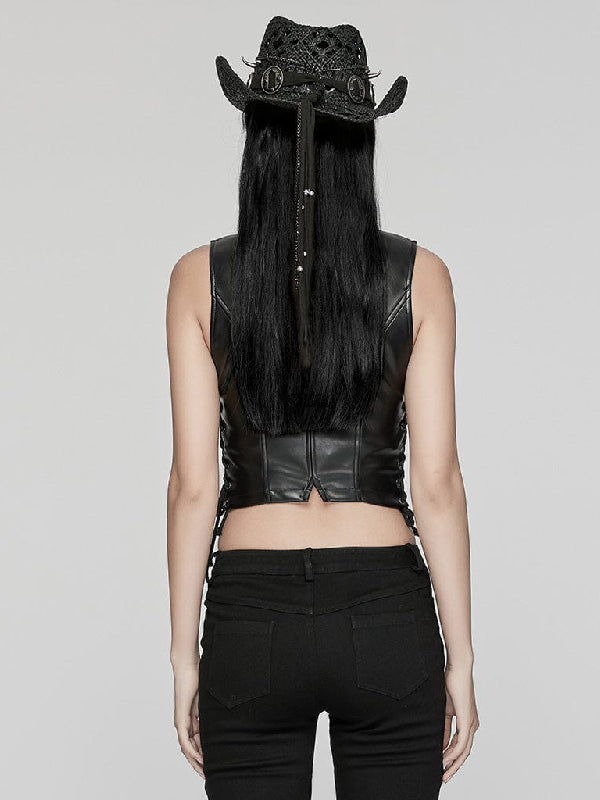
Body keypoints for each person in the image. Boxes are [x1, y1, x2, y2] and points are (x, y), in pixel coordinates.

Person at [166, 14, 479, 800]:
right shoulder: (422, 278)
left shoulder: (197, 279)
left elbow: (194, 488)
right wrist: (462, 658)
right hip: (385, 611)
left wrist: (183, 657)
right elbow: (437, 484)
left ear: (257, 142)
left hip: (249, 618)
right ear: (361, 142)